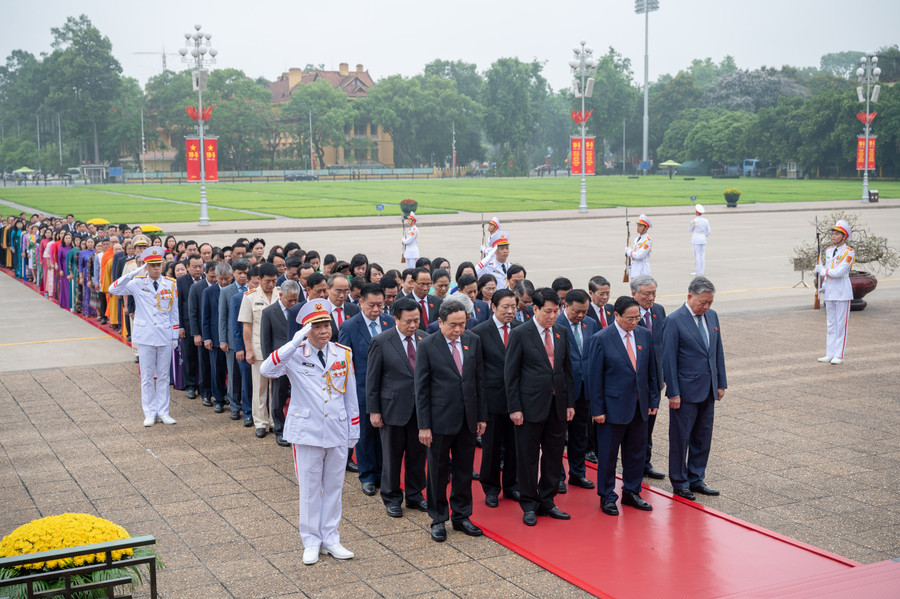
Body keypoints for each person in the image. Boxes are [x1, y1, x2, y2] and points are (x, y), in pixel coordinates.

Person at [260, 298, 358, 565]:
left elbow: (350, 395)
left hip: (337, 428)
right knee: (310, 489)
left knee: (334, 488)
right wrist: (294, 342)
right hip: (307, 431)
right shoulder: (295, 354)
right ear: (306, 329)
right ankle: (311, 540)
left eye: (326, 324)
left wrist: (353, 429)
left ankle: (331, 538)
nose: (324, 331)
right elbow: (267, 369)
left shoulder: (342, 353)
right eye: (317, 326)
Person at [415, 300, 487, 542]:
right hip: (439, 420)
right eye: (453, 325)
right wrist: (424, 425)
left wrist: (481, 416)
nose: (458, 330)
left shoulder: (473, 340)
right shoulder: (427, 345)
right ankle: (438, 518)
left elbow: (479, 381)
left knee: (464, 470)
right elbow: (421, 388)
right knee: (437, 471)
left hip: (467, 418)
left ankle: (461, 515)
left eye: (462, 324)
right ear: (440, 322)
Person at [505, 288, 574, 526]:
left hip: (557, 405)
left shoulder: (561, 332)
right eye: (548, 311)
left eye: (556, 311)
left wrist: (569, 403)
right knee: (528, 457)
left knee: (554, 456)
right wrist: (514, 407)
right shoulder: (520, 333)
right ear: (535, 309)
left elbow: (567, 370)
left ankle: (548, 500)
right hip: (529, 407)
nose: (553, 316)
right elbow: (511, 374)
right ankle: (528, 504)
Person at [586, 296, 660, 516]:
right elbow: (594, 377)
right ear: (616, 315)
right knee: (608, 455)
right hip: (612, 408)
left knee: (636, 452)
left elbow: (651, 371)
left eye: (637, 318)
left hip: (639, 406)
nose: (634, 322)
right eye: (630, 318)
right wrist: (597, 410)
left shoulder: (644, 335)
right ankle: (607, 495)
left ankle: (631, 491)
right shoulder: (601, 338)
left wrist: (653, 400)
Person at [663, 276, 727, 500]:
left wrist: (721, 383)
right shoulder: (674, 320)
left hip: (708, 388)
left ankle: (696, 478)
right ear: (689, 296)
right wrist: (673, 392)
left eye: (710, 302)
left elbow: (717, 351)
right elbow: (668, 360)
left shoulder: (712, 316)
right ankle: (680, 482)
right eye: (702, 302)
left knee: (703, 436)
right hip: (685, 392)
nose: (706, 306)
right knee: (680, 439)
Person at [365, 296, 428, 517]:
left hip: (420, 410)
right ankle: (392, 498)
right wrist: (374, 411)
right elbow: (372, 379)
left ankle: (415, 495)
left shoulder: (425, 339)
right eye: (408, 321)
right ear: (396, 319)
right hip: (392, 409)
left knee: (418, 455)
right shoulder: (381, 341)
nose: (413, 325)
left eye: (416, 320)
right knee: (392, 457)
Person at [109, 247, 179, 426]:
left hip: (164, 334)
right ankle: (149, 412)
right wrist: (133, 273)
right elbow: (113, 289)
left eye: (158, 265)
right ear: (146, 267)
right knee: (147, 377)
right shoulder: (137, 282)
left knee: (163, 376)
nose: (156, 268)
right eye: (152, 265)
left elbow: (174, 312)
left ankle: (163, 412)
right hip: (145, 335)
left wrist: (174, 336)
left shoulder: (170, 284)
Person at [338, 283, 395, 496]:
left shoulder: (390, 322)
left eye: (380, 305)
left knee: (385, 435)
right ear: (360, 302)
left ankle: (384, 473)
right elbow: (344, 361)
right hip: (361, 388)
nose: (376, 310)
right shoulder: (349, 326)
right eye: (371, 305)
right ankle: (368, 475)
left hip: (388, 388)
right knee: (365, 434)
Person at [472, 289, 522, 508]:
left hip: (517, 400)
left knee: (514, 446)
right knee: (491, 448)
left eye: (513, 307)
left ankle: (512, 485)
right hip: (492, 400)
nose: (510, 311)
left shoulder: (521, 329)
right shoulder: (480, 332)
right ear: (493, 307)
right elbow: (477, 371)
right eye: (505, 307)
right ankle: (491, 488)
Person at [556, 289, 597, 492]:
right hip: (562, 389)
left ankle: (578, 473)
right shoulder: (556, 324)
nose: (581, 315)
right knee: (557, 436)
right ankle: (556, 476)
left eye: (584, 311)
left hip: (584, 388)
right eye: (576, 311)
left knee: (580, 434)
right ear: (566, 306)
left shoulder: (591, 324)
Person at [239, 262, 281, 438]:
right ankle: (261, 422)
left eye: (274, 280)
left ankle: (274, 421)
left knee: (276, 389)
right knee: (260, 388)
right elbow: (247, 326)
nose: (271, 284)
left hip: (277, 349)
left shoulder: (280, 294)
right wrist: (248, 349)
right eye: (267, 281)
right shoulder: (250, 297)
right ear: (259, 279)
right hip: (258, 348)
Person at [631, 274, 667, 480]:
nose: (651, 298)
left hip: (655, 380)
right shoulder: (628, 313)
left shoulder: (658, 311)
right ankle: (633, 462)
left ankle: (645, 462)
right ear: (634, 293)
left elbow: (662, 345)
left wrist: (664, 374)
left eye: (653, 293)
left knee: (649, 423)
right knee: (634, 424)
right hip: (635, 379)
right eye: (646, 294)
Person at [261, 279, 303, 446]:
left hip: (298, 360)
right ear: (280, 295)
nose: (293, 303)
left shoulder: (300, 310)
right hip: (279, 361)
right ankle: (279, 429)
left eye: (295, 300)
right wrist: (270, 366)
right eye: (290, 300)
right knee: (278, 396)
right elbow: (266, 341)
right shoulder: (269, 312)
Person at [815, 220, 855, 365]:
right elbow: (828, 269)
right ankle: (829, 353)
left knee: (841, 325)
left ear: (844, 237)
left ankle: (839, 355)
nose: (833, 236)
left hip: (842, 291)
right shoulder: (829, 250)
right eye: (833, 233)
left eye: (837, 234)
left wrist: (822, 271)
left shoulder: (849, 252)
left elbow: (838, 272)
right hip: (830, 291)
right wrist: (823, 285)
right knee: (831, 324)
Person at [218, 258, 250, 419]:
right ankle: (234, 406)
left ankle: (247, 405)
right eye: (239, 273)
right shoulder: (226, 291)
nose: (243, 276)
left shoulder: (252, 289)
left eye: (245, 273)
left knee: (247, 375)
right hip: (232, 340)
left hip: (249, 339)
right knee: (233, 374)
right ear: (233, 274)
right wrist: (223, 339)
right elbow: (222, 317)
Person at [202, 262, 233, 413]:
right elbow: (205, 316)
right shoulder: (209, 292)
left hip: (232, 337)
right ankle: (219, 399)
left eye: (226, 278)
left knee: (232, 371)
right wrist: (206, 337)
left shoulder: (235, 290)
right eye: (220, 279)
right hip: (215, 338)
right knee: (217, 370)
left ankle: (232, 397)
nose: (223, 282)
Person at [176, 255, 204, 399]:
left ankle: (203, 385)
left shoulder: (206, 279)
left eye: (200, 266)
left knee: (203, 358)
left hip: (203, 324)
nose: (198, 269)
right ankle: (190, 385)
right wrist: (180, 326)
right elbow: (178, 306)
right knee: (189, 356)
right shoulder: (181, 281)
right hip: (187, 325)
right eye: (195, 267)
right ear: (188, 267)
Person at [191, 262, 216, 406]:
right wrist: (196, 333)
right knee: (204, 364)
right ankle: (205, 393)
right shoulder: (197, 288)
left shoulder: (222, 286)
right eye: (212, 277)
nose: (214, 279)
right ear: (205, 274)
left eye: (216, 276)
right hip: (202, 331)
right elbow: (193, 312)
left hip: (217, 332)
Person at [626, 214, 653, 278]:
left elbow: (640, 255)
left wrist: (629, 252)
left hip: (642, 269)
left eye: (640, 226)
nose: (638, 227)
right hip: (634, 268)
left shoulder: (647, 240)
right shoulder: (636, 239)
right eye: (637, 225)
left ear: (646, 228)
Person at [689, 204, 711, 275]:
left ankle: (697, 271)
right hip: (703, 238)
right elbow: (709, 231)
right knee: (702, 255)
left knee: (697, 256)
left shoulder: (694, 221)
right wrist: (704, 236)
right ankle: (702, 271)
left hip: (696, 238)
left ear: (696, 212)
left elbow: (690, 229)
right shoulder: (706, 220)